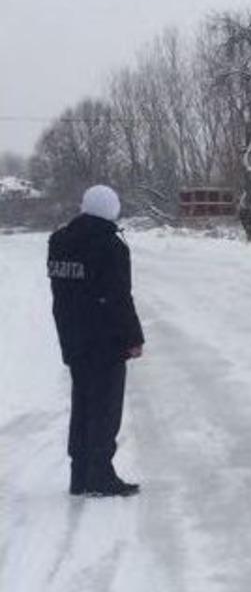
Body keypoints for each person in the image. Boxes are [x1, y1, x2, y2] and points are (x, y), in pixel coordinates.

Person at [47, 185, 144, 497]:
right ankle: (100, 475)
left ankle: (80, 474)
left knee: (83, 404)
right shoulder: (111, 247)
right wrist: (133, 337)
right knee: (104, 409)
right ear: (109, 210)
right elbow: (118, 298)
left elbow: (63, 293)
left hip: (73, 337)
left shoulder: (58, 242)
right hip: (106, 341)